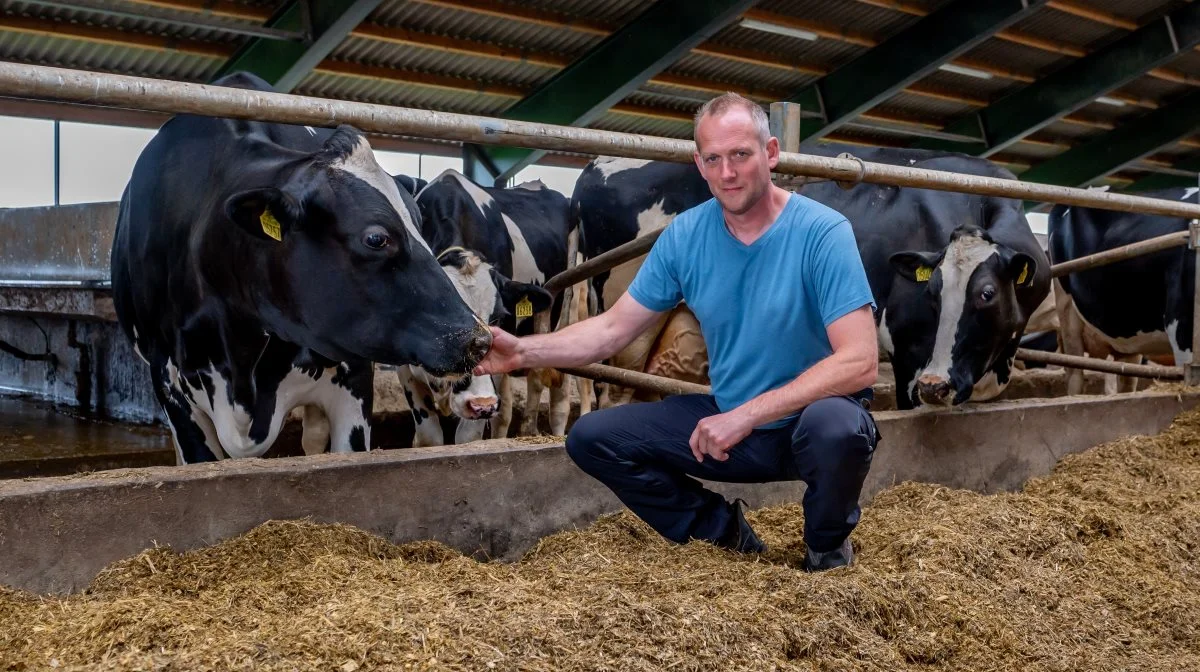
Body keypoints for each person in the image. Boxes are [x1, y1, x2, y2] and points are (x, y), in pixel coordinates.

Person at [474, 92, 881, 571]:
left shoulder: (822, 232)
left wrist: (745, 416)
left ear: (770, 153)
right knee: (592, 437)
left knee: (839, 428)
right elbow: (611, 329)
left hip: (806, 427)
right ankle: (724, 533)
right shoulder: (685, 236)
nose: (727, 173)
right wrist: (522, 351)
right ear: (699, 163)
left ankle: (826, 547)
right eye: (713, 159)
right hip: (730, 428)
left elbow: (860, 360)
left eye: (740, 155)